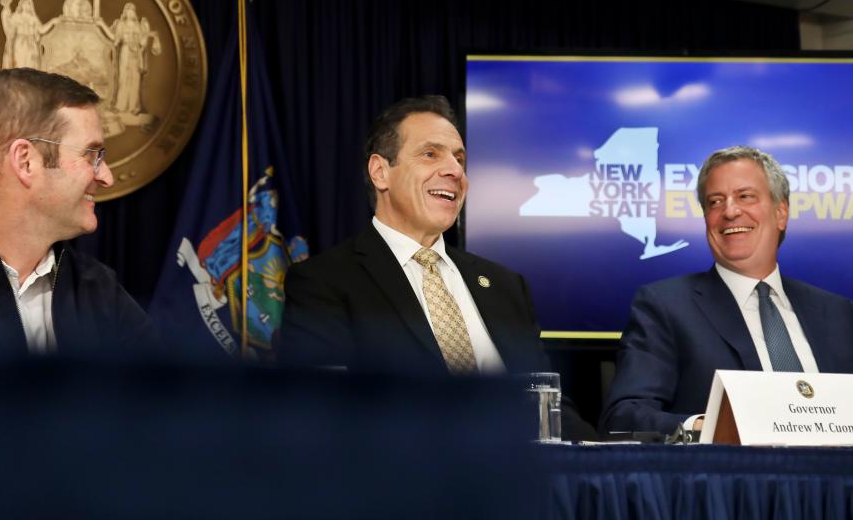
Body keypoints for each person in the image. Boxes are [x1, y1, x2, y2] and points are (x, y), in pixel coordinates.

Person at [280, 95, 593, 439]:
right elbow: (325, 416)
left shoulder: (506, 286)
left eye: (460, 159)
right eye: (430, 154)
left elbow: (550, 410)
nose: (456, 171)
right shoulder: (324, 283)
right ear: (380, 172)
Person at [0, 68, 160, 357]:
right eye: (91, 155)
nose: (106, 177)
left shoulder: (100, 292)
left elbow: (163, 399)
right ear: (26, 161)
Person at [600, 146, 853, 435]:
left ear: (780, 213)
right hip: (731, 478)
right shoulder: (665, 307)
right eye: (715, 202)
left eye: (745, 196)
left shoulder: (838, 313)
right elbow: (622, 417)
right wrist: (705, 428)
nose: (730, 212)